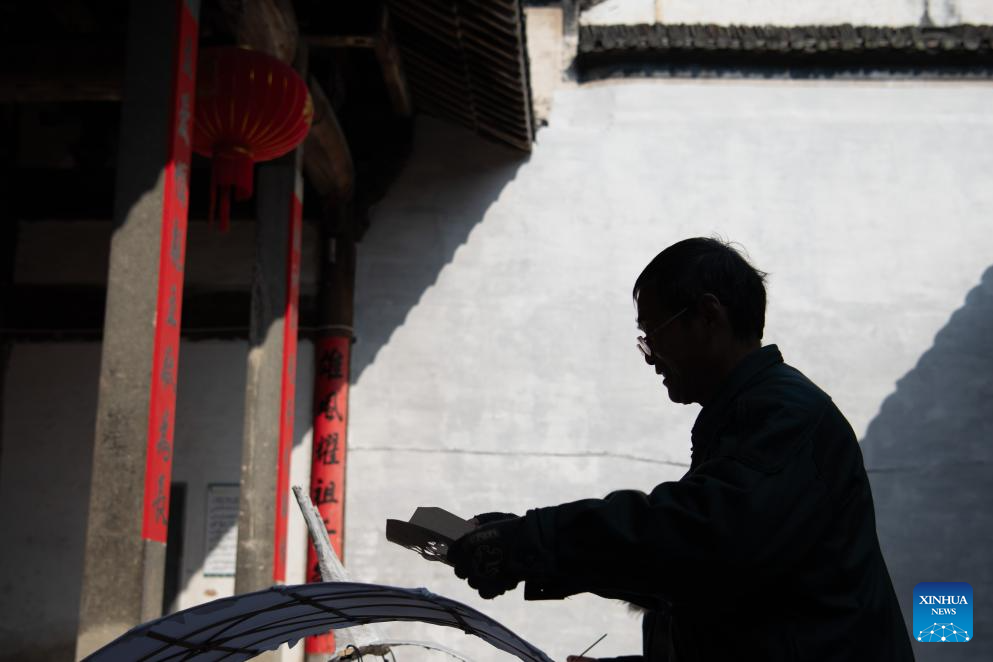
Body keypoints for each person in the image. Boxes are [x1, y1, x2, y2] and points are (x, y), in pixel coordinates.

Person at [447, 238, 915, 661]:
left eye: (653, 332)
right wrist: (528, 544)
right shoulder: (749, 419)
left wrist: (536, 539)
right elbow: (714, 595)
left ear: (708, 317)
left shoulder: (788, 416)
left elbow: (697, 540)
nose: (649, 356)